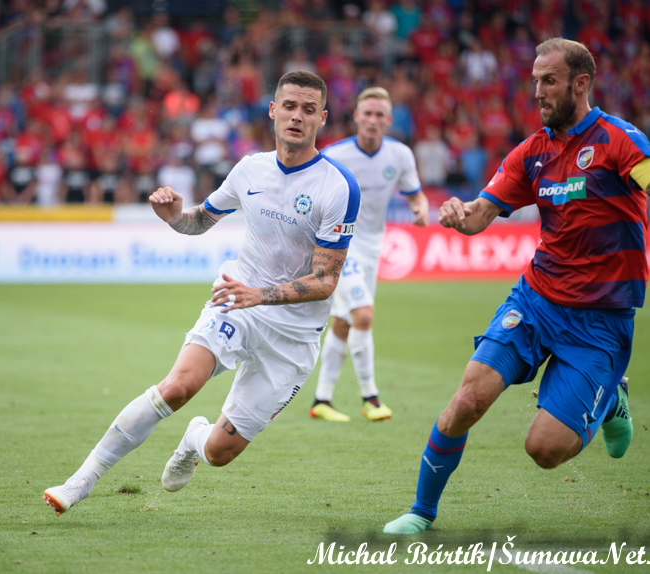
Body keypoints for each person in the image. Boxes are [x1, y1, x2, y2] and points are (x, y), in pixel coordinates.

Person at [43, 70, 360, 515]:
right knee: (178, 386)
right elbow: (200, 220)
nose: (297, 117)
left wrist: (261, 295)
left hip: (292, 336)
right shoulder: (249, 169)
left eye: (309, 110)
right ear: (273, 110)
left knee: (219, 452)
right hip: (236, 299)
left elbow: (326, 281)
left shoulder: (338, 187)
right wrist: (175, 217)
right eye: (289, 106)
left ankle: (193, 438)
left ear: (322, 118)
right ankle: (81, 481)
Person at [384, 38, 649, 534]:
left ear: (581, 83)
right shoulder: (533, 152)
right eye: (535, 82)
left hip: (601, 320)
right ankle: (421, 510)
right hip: (536, 300)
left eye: (549, 81)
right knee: (468, 400)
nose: (538, 92)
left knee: (544, 450)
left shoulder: (620, 140)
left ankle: (611, 397)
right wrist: (458, 213)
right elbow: (479, 215)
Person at [310, 87, 428, 423]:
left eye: (380, 115)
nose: (373, 120)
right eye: (368, 114)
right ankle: (370, 398)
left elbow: (415, 195)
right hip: (339, 246)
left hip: (373, 245)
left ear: (388, 120)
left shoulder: (400, 155)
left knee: (344, 322)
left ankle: (322, 400)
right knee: (363, 314)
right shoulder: (335, 155)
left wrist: (420, 210)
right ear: (357, 117)